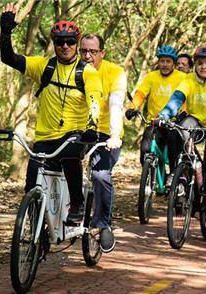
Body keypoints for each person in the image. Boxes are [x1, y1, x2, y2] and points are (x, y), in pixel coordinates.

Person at [0, 4, 102, 225]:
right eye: (59, 42)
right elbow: (9, 58)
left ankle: (77, 203)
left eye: (70, 41)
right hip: (45, 138)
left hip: (73, 134)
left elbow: (94, 101)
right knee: (31, 185)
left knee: (71, 154)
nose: (65, 46)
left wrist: (92, 128)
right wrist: (5, 32)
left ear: (77, 42)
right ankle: (38, 231)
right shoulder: (43, 66)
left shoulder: (88, 73)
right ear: (54, 43)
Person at [158, 45, 206, 230]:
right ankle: (185, 173)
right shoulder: (189, 79)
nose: (203, 67)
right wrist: (164, 115)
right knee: (180, 130)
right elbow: (177, 98)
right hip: (197, 121)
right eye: (200, 64)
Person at [79, 33, 127, 252]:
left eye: (92, 51)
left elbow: (116, 104)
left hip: (107, 134)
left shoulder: (115, 72)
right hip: (79, 130)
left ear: (102, 53)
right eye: (83, 51)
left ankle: (102, 224)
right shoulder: (73, 69)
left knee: (100, 175)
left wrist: (115, 135)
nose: (87, 56)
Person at [125, 45, 185, 178]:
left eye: (168, 61)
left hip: (173, 123)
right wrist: (132, 107)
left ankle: (173, 174)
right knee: (145, 149)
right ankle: (150, 177)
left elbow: (186, 98)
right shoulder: (151, 77)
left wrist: (183, 113)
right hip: (154, 122)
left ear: (174, 64)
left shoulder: (182, 77)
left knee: (173, 143)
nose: (164, 64)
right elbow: (140, 95)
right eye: (162, 61)